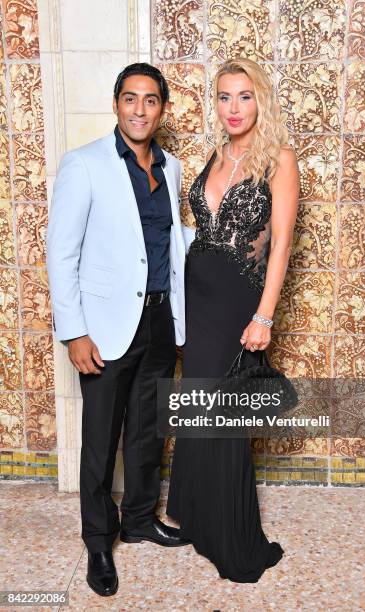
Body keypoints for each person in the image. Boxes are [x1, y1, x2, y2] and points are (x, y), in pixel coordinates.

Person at [46, 63, 190, 598]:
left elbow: (170, 244)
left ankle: (138, 519)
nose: (139, 109)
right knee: (101, 441)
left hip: (158, 319)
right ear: (116, 104)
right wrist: (74, 331)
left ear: (162, 109)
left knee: (149, 430)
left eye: (150, 100)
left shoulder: (171, 168)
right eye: (130, 99)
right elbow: (61, 253)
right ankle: (99, 540)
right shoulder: (84, 165)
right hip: (104, 327)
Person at [167, 58, 300, 583]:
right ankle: (198, 518)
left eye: (244, 96)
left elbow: (281, 245)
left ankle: (232, 537)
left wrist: (264, 314)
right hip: (198, 296)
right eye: (224, 97)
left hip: (238, 299)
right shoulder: (216, 155)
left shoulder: (279, 159)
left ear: (260, 100)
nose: (234, 108)